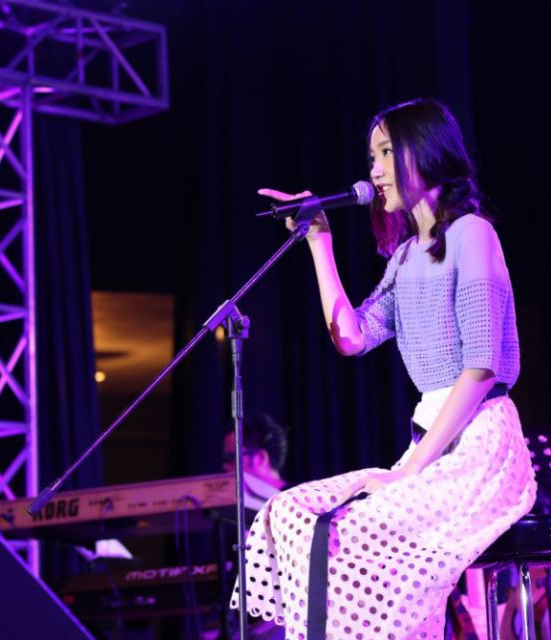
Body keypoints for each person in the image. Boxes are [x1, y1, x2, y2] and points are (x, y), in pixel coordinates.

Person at [230, 98, 537, 639]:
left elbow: (481, 368)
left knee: (357, 534)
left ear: (427, 150)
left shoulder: (472, 234)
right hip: (431, 445)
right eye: (372, 157)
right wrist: (319, 243)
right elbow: (351, 337)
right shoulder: (404, 258)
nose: (374, 171)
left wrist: (410, 469)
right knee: (292, 513)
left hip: (480, 444)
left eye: (387, 152)